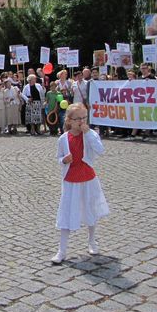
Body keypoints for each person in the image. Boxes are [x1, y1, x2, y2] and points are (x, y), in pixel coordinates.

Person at [52, 103, 109, 264]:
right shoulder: (63, 138)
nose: (82, 121)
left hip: (88, 178)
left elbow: (100, 150)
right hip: (71, 180)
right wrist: (64, 160)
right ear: (69, 121)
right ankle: (61, 250)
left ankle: (92, 241)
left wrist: (88, 133)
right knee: (66, 212)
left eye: (84, 118)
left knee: (90, 209)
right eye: (78, 119)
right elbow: (59, 157)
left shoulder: (90, 134)